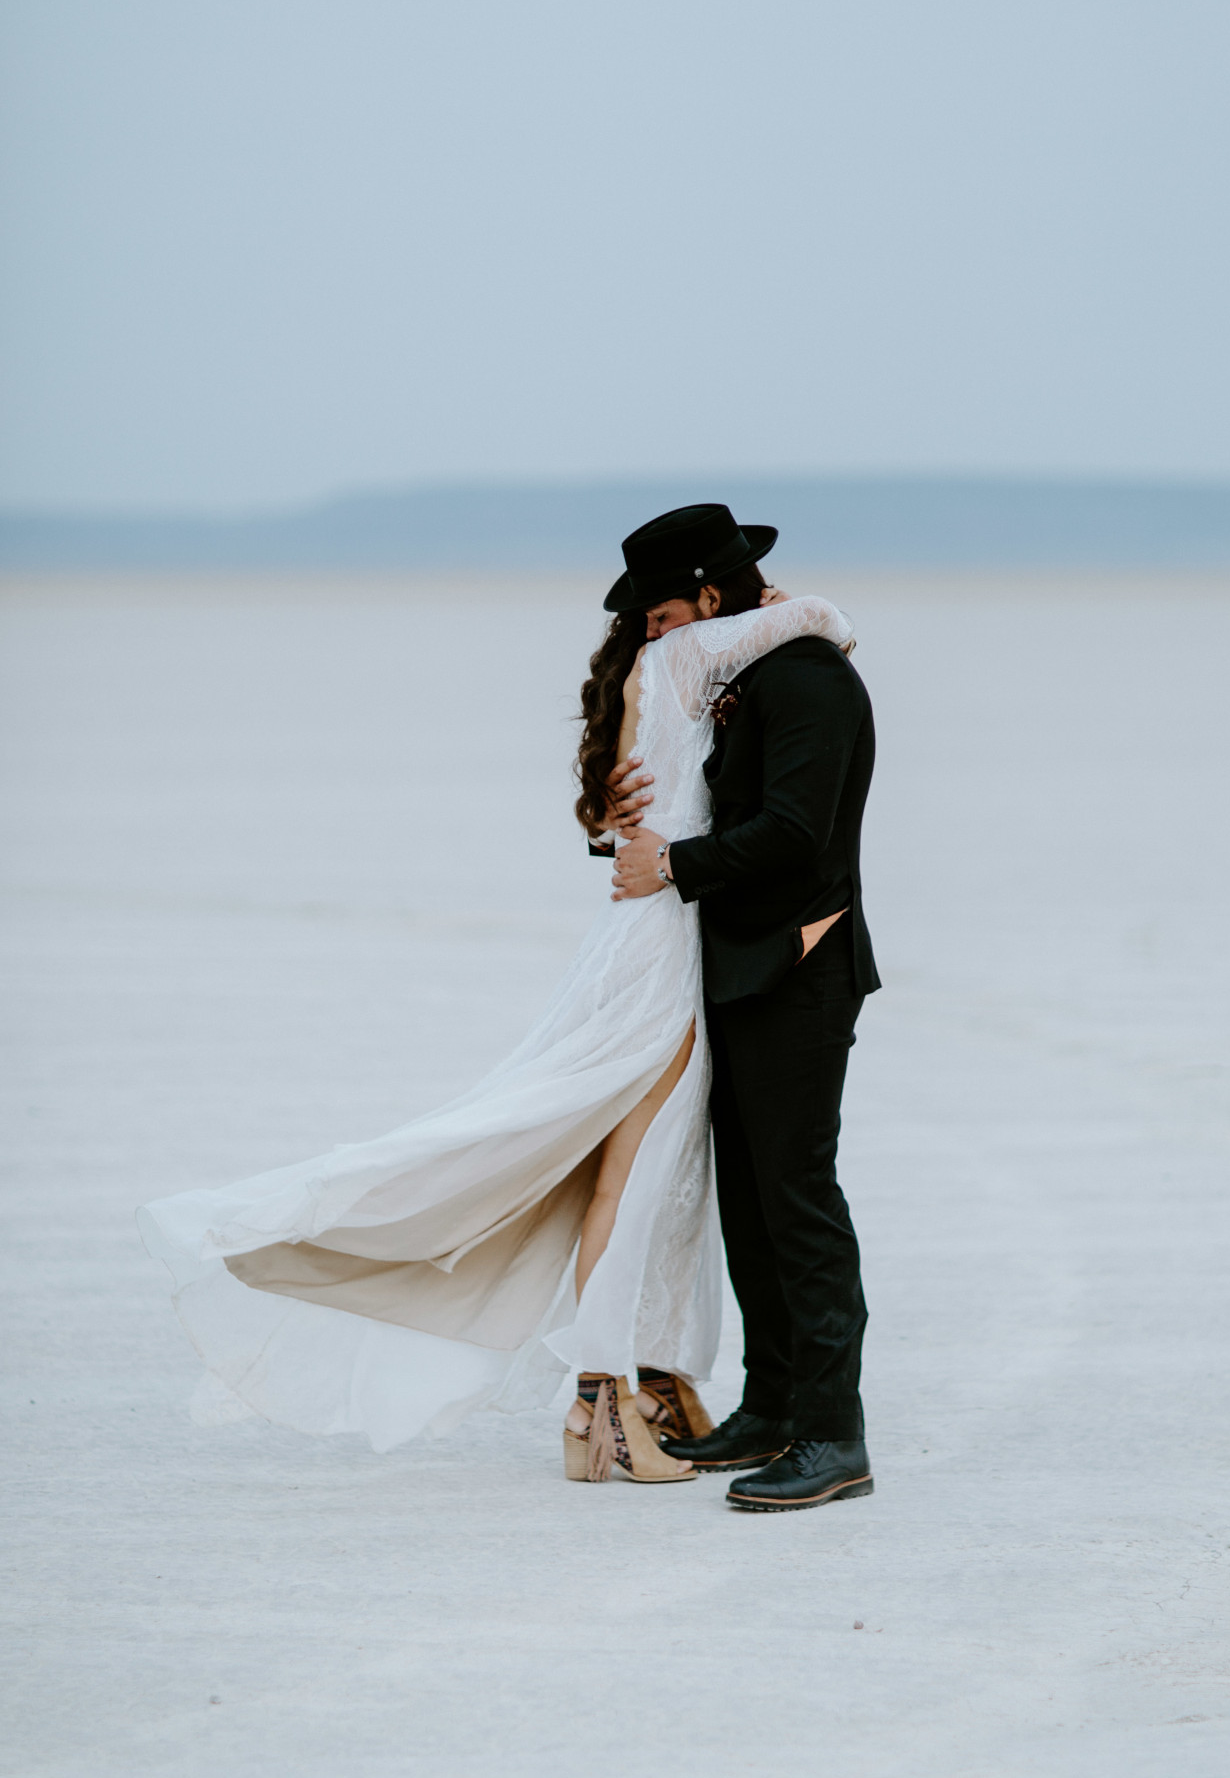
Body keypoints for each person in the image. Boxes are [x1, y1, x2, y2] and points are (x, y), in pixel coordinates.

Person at [137, 502, 853, 1488]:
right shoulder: (699, 656)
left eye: (664, 607)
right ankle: (606, 1396)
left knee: (654, 1177)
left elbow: (665, 804)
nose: (660, 625)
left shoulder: (685, 671)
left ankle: (667, 1399)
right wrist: (807, 608)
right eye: (653, 616)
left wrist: (631, 839)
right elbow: (777, 627)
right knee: (635, 1179)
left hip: (664, 936)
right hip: (662, 943)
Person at [607, 507, 880, 1512]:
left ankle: (832, 1432)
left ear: (712, 599)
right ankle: (771, 1406)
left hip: (801, 969)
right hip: (738, 969)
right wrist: (632, 834)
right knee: (751, 1202)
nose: (653, 634)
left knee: (798, 1200)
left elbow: (797, 835)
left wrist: (672, 865)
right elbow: (724, 815)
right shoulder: (740, 679)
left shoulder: (806, 677)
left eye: (664, 612)